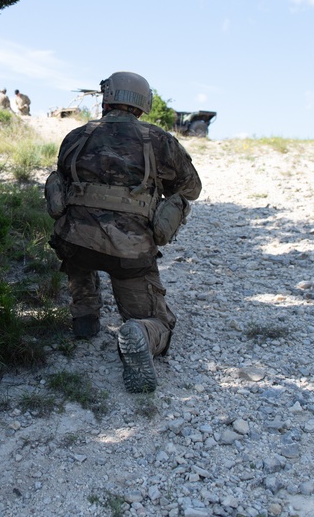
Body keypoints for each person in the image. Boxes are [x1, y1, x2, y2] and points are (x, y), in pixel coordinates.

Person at [45, 72, 201, 393]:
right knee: (159, 323)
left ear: (106, 99)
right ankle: (141, 334)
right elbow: (190, 188)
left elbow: (61, 185)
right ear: (142, 104)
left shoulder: (76, 136)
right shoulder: (158, 141)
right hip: (129, 254)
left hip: (75, 243)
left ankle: (85, 317)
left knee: (79, 242)